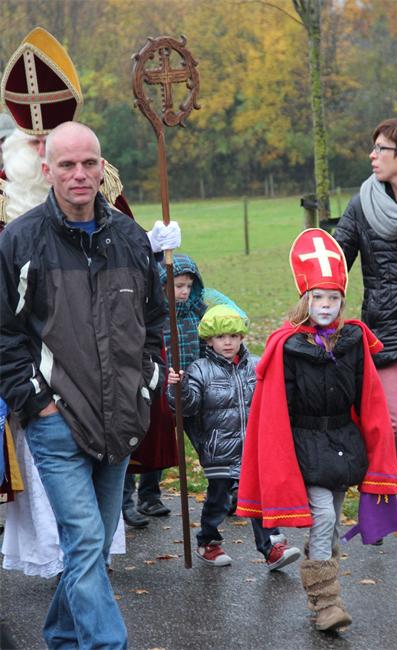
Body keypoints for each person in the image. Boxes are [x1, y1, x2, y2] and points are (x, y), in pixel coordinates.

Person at [0, 121, 167, 649]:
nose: (79, 174)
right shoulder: (20, 240)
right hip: (56, 421)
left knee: (87, 549)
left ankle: (61, 636)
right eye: (67, 164)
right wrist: (37, 404)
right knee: (87, 538)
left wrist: (145, 386)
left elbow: (154, 324)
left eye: (88, 163)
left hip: (121, 417)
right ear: (47, 170)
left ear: (102, 167)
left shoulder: (130, 239)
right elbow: (5, 334)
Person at [236, 228, 397, 632]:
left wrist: (376, 450)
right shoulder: (288, 347)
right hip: (304, 447)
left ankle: (322, 596)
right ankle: (328, 604)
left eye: (333, 298)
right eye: (318, 298)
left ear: (342, 302)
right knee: (324, 516)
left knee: (329, 524)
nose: (326, 305)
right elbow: (276, 409)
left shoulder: (353, 341)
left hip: (343, 446)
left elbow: (369, 400)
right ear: (305, 300)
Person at [334, 118, 397, 560]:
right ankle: (376, 500)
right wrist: (316, 293)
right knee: (396, 422)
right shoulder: (362, 205)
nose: (372, 156)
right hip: (386, 330)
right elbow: (335, 260)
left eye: (381, 149)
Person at [168, 304, 301, 569]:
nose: (227, 342)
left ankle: (270, 548)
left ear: (242, 337)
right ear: (209, 340)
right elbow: (188, 408)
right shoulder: (199, 369)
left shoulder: (257, 365)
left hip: (253, 448)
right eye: (220, 337)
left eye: (233, 336)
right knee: (219, 499)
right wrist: (178, 388)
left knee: (257, 497)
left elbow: (274, 398)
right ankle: (208, 541)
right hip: (218, 449)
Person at [123, 254, 207, 519]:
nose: (184, 291)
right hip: (155, 387)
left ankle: (150, 496)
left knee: (164, 444)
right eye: (177, 286)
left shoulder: (197, 314)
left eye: (188, 286)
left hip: (188, 388)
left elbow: (205, 346)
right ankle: (125, 499)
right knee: (144, 439)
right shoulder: (153, 317)